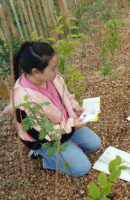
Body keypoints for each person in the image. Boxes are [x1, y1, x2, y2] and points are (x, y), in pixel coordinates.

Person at [2, 41, 101, 177]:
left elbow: (65, 95)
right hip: (45, 138)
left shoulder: (52, 78)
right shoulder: (24, 102)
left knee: (95, 144)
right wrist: (72, 126)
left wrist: (75, 106)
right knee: (82, 168)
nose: (57, 71)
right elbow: (40, 134)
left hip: (65, 125)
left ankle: (68, 144)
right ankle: (45, 158)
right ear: (36, 72)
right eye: (53, 68)